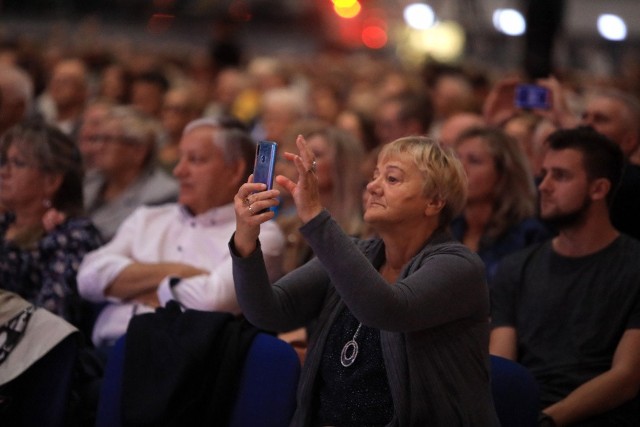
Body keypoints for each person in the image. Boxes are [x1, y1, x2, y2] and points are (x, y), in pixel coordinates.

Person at [230, 135, 499, 425]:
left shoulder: (459, 267)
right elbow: (268, 311)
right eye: (374, 176)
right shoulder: (355, 253)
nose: (372, 186)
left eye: (392, 179)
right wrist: (246, 236)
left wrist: (315, 217)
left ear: (434, 201)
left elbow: (388, 309)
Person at [77, 117, 285, 351]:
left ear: (234, 170)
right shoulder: (147, 218)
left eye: (195, 160)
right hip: (104, 351)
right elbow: (87, 277)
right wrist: (180, 272)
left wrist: (132, 283)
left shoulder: (259, 233)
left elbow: (211, 301)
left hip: (183, 368)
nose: (178, 171)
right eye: (180, 158)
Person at [490, 127, 640, 426]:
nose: (543, 186)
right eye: (544, 174)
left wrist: (546, 420)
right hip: (525, 411)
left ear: (598, 189)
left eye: (560, 176)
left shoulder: (634, 264)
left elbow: (626, 377)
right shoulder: (515, 267)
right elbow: (502, 365)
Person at [0, 119, 103, 333]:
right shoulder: (4, 223)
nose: (4, 172)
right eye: (4, 162)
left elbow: (52, 319)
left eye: (18, 163)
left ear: (52, 181)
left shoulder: (72, 235)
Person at [451, 126, 551, 281]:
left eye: (474, 161)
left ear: (503, 174)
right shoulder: (444, 228)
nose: (459, 168)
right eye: (456, 158)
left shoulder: (529, 235)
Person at [83, 105, 179, 241]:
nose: (98, 147)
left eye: (108, 140)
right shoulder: (89, 182)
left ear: (138, 152)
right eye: (98, 139)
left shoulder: (161, 195)